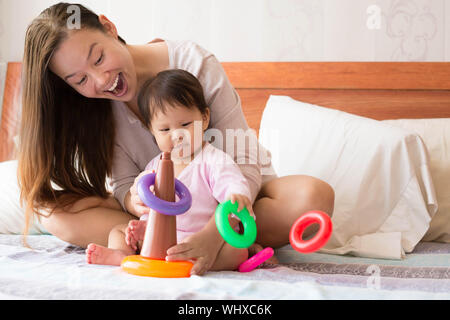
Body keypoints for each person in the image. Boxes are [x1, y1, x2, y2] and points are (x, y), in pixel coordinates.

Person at [18, 3, 334, 263]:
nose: (101, 80)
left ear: (109, 27)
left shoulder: (194, 63)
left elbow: (243, 163)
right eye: (80, 80)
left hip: (233, 195)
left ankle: (218, 240)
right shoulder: (97, 104)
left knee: (313, 198)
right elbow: (126, 185)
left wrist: (215, 234)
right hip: (166, 209)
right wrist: (135, 202)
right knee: (52, 214)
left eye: (99, 58)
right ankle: (168, 241)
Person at [86, 69, 255, 275]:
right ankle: (121, 254)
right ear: (152, 131)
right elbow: (143, 193)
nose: (177, 135)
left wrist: (236, 196)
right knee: (118, 231)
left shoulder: (213, 160)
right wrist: (138, 202)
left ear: (204, 118)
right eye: (165, 130)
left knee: (237, 251)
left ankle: (193, 261)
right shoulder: (155, 165)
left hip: (197, 239)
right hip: (155, 237)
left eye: (185, 124)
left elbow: (232, 183)